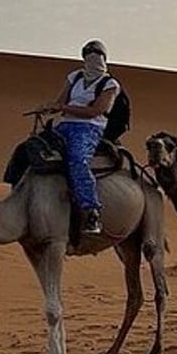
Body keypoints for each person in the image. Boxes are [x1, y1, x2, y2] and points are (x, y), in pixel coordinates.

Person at [36, 39, 120, 236]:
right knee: (30, 149)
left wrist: (62, 108)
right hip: (64, 125)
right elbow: (60, 101)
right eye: (89, 54)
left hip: (89, 128)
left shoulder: (110, 84)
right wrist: (48, 108)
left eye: (97, 54)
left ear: (103, 58)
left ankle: (92, 211)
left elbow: (96, 111)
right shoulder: (74, 77)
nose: (93, 58)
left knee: (77, 160)